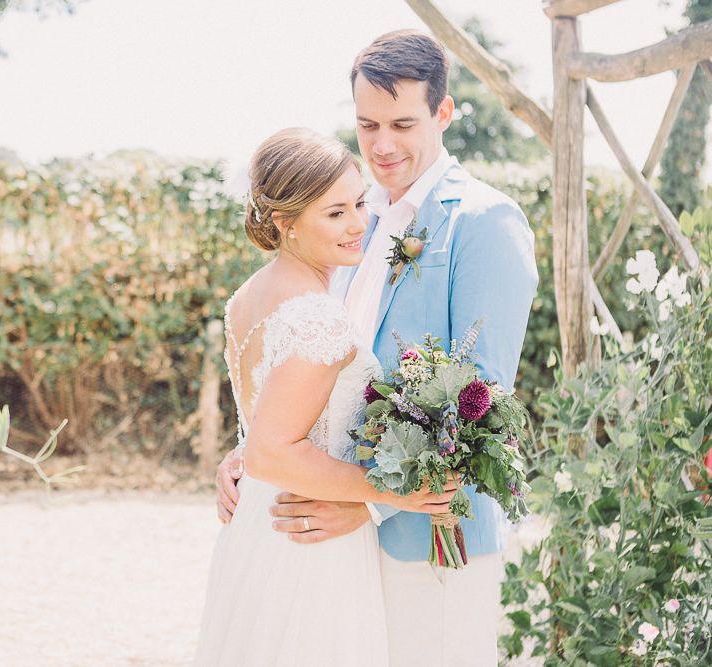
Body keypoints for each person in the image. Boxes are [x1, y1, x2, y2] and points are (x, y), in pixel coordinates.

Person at [217, 31, 538, 666]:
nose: (382, 145)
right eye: (367, 125)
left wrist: (364, 502)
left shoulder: (484, 223)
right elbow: (314, 373)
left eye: (402, 123)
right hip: (339, 547)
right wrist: (254, 453)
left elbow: (478, 403)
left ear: (444, 114)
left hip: (430, 537)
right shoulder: (346, 226)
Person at [194, 127, 457, 666]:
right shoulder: (318, 317)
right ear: (286, 223)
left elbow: (261, 428)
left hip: (258, 526)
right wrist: (396, 495)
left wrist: (242, 453)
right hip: (309, 535)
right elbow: (274, 450)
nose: (359, 223)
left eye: (358, 203)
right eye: (335, 214)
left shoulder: (247, 296)